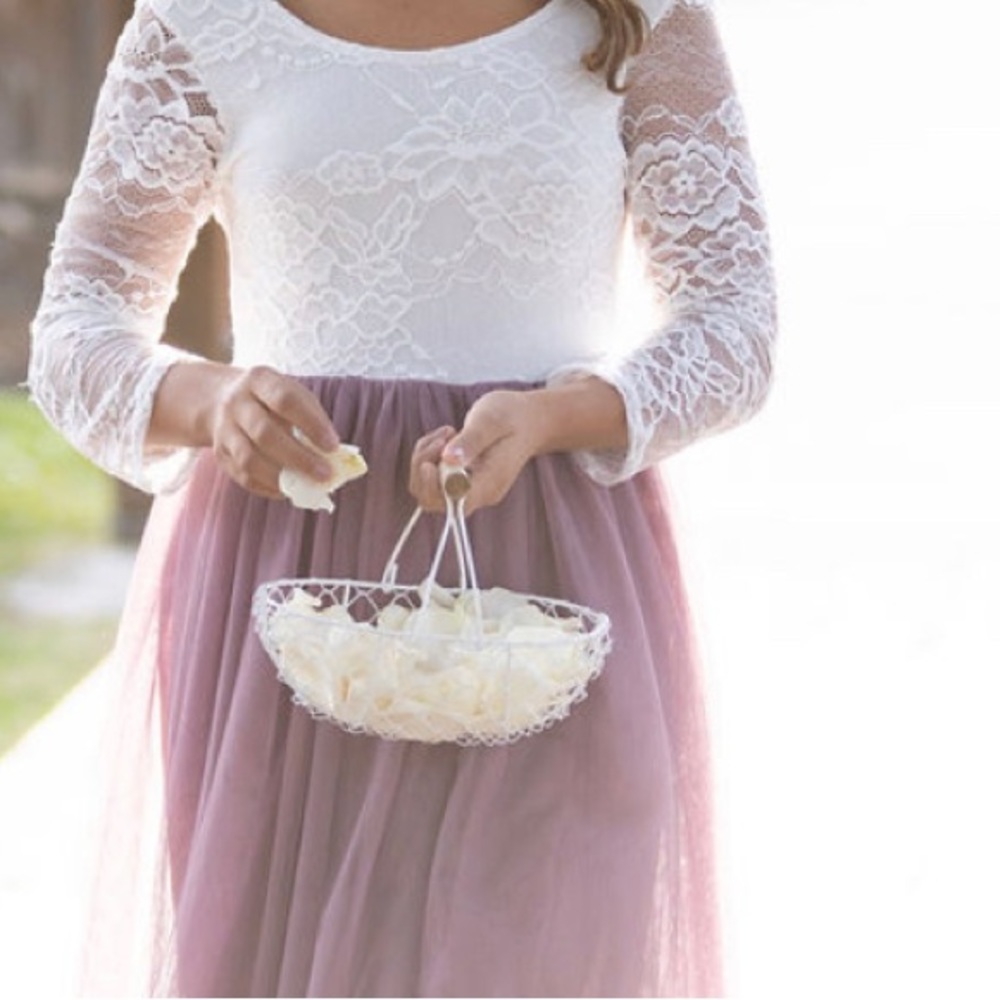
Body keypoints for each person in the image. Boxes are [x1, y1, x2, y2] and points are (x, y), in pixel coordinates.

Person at [29, 0, 775, 995]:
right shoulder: (206, 20)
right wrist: (212, 400)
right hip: (288, 603)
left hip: (547, 601)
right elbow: (76, 325)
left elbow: (734, 319)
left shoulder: (641, 16)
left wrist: (558, 417)